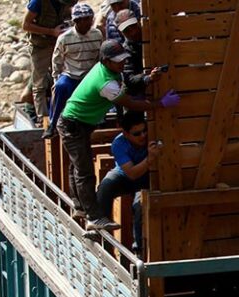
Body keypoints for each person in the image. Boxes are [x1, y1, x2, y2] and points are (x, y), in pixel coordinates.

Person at [57, 40, 177, 232]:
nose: (122, 63)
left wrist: (147, 79)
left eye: (123, 59)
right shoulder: (105, 83)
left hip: (82, 123)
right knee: (84, 170)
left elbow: (127, 83)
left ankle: (80, 206)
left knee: (77, 164)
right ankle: (94, 217)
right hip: (74, 124)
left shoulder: (110, 71)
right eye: (118, 61)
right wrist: (160, 104)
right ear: (105, 61)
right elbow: (130, 103)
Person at [96, 111, 156, 251]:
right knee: (106, 185)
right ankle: (99, 224)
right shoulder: (119, 144)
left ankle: (139, 249)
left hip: (148, 178)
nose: (143, 136)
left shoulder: (153, 135)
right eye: (137, 134)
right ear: (126, 134)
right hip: (127, 176)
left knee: (139, 205)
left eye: (144, 131)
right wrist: (150, 159)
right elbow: (132, 173)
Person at [43, 3, 102, 139]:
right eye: (84, 19)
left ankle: (100, 119)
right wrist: (56, 78)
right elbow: (57, 60)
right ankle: (53, 124)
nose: (88, 22)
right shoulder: (64, 38)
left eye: (89, 18)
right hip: (71, 75)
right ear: (77, 21)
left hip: (90, 75)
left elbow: (100, 57)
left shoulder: (97, 34)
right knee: (60, 88)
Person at [22, 0, 73, 124]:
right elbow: (25, 25)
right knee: (40, 84)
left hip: (59, 44)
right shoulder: (38, 2)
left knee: (62, 79)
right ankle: (43, 119)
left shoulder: (67, 2)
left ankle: (62, 115)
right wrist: (51, 32)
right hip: (41, 46)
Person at [115, 8, 150, 96]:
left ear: (139, 22)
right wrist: (147, 77)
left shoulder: (152, 35)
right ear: (121, 33)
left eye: (134, 26)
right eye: (127, 31)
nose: (133, 32)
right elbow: (129, 79)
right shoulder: (126, 50)